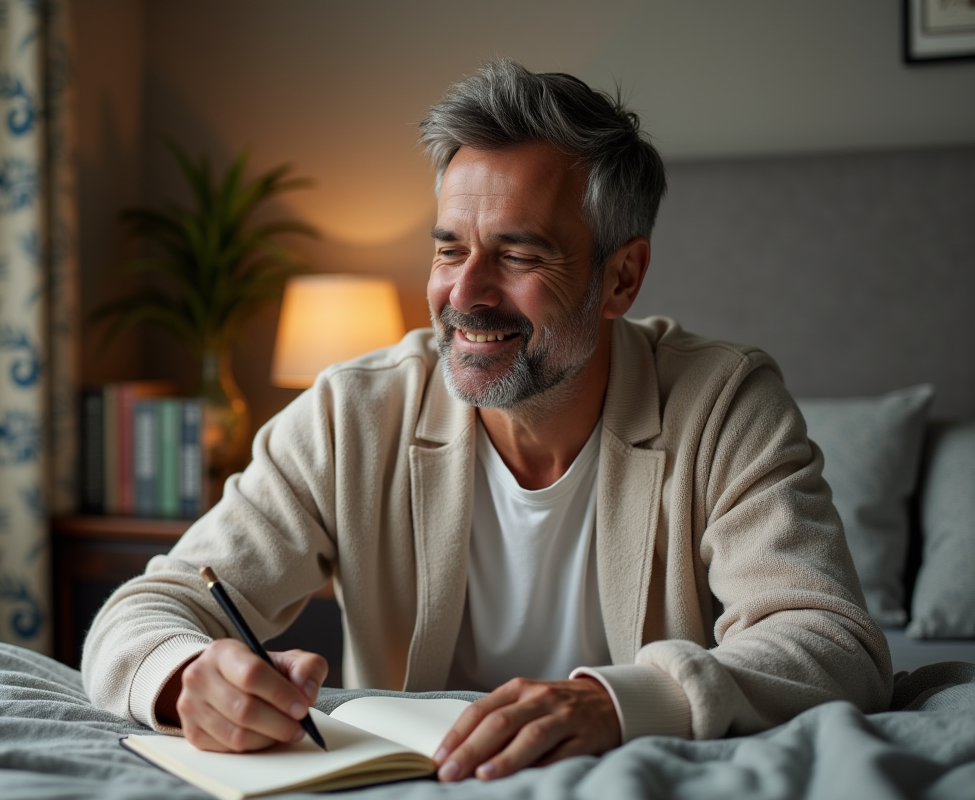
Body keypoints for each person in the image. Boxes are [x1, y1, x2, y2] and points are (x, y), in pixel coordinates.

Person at [83, 59, 892, 782]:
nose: (464, 294)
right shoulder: (352, 413)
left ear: (621, 279)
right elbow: (145, 613)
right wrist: (187, 676)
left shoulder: (724, 405)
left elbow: (832, 643)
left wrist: (616, 704)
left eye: (518, 254)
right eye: (447, 249)